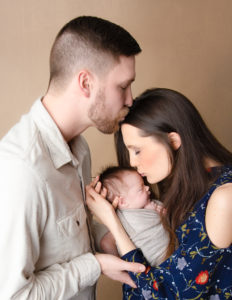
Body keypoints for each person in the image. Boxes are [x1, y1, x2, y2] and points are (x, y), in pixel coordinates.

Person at [0, 16, 146, 300]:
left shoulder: (79, 148)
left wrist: (104, 235)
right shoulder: (22, 172)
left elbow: (63, 239)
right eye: (122, 86)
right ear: (86, 83)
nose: (130, 99)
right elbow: (13, 294)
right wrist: (95, 265)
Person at [86, 88, 232, 299]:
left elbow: (164, 295)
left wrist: (112, 221)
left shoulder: (224, 198)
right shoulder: (191, 183)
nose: (133, 163)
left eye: (137, 150)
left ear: (173, 141)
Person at [99, 166, 169, 266]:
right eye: (141, 189)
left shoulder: (150, 204)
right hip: (158, 264)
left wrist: (161, 212)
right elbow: (105, 243)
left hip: (175, 251)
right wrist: (122, 265)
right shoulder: (124, 220)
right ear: (123, 201)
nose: (147, 187)